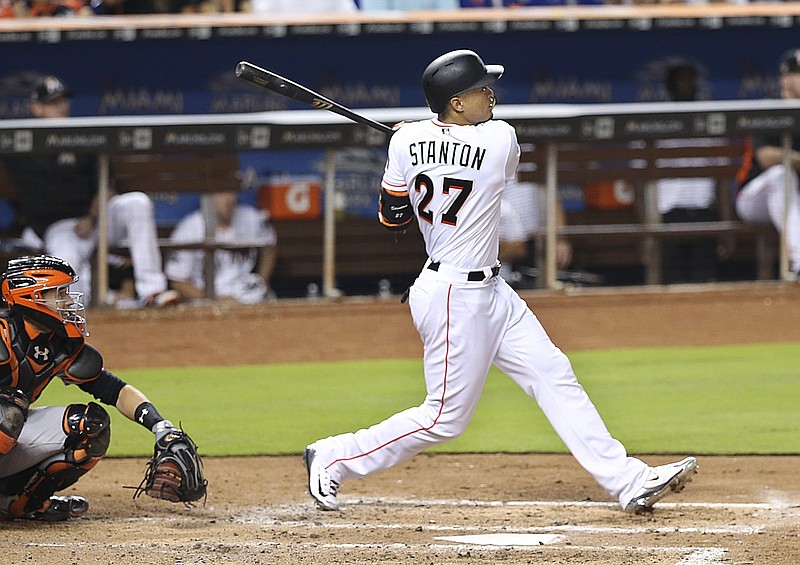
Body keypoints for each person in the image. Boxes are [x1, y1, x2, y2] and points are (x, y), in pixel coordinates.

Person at [303, 49, 698, 514]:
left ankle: (627, 480)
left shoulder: (405, 144)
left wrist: (411, 145)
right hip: (454, 297)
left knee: (554, 373)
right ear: (455, 103)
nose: (491, 94)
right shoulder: (500, 140)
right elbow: (469, 156)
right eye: (479, 89)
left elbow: (392, 220)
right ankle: (333, 454)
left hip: (491, 290)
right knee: (444, 419)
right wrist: (425, 138)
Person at [0, 255, 195, 521]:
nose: (69, 301)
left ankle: (17, 504)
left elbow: (112, 389)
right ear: (30, 297)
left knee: (90, 425)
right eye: (59, 293)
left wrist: (161, 426)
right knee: (7, 416)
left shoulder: (58, 344)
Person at [2, 75, 180, 308]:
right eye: (53, 103)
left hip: (97, 221)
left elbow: (107, 187)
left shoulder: (83, 137)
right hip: (61, 229)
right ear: (37, 108)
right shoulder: (22, 146)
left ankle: (152, 291)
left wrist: (91, 216)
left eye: (63, 101)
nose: (60, 107)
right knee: (69, 279)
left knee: (137, 203)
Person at [655, 62, 732, 284]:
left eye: (691, 80)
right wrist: (646, 225)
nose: (687, 85)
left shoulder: (710, 122)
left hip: (704, 214)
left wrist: (726, 226)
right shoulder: (654, 120)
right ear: (670, 85)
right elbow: (642, 185)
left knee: (705, 283)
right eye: (682, 80)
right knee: (670, 288)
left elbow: (723, 181)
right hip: (667, 217)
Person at [735, 48, 800, 279]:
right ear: (784, 79)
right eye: (798, 73)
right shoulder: (770, 108)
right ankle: (798, 261)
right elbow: (766, 157)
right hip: (754, 198)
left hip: (792, 201)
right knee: (781, 175)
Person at [165, 191, 278, 303]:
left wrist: (263, 280)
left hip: (246, 292)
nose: (228, 200)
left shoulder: (251, 218)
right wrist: (218, 300)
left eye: (230, 193)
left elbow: (269, 247)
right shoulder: (188, 229)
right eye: (221, 194)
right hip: (206, 300)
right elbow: (178, 282)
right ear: (207, 199)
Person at [498, 176, 572, 288]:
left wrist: (559, 238)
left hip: (531, 250)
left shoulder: (531, 162)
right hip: (499, 245)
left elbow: (551, 193)